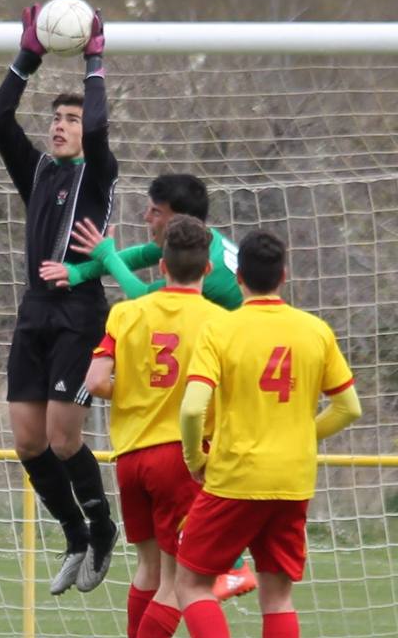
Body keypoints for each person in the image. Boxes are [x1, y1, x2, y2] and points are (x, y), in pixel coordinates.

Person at [173, 230, 361, 638]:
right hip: (292, 481)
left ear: (238, 278)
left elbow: (191, 409)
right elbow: (349, 407)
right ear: (284, 275)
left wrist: (195, 460)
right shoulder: (315, 330)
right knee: (278, 597)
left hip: (235, 477)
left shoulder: (221, 328)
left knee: (191, 583)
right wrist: (300, 436)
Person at [42, 173, 259, 601]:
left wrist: (105, 253)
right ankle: (227, 566)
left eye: (155, 211)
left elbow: (143, 297)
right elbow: (139, 256)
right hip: (219, 370)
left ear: (176, 220)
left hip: (238, 376)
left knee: (201, 486)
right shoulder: (198, 245)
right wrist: (80, 269)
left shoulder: (210, 276)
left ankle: (233, 565)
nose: (146, 217)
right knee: (171, 546)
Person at [0, 2, 119, 595]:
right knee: (28, 440)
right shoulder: (39, 172)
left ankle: (102, 528)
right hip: (34, 312)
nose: (61, 126)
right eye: (57, 119)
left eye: (71, 118)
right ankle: (74, 535)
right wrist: (29, 54)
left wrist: (94, 61)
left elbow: (98, 128)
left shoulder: (99, 172)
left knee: (65, 439)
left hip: (79, 314)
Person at [87, 215, 226, 638]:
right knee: (179, 581)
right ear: (207, 269)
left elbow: (96, 381)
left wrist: (136, 392)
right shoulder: (218, 321)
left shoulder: (127, 312)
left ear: (161, 265)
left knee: (147, 570)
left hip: (130, 457)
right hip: (180, 459)